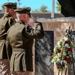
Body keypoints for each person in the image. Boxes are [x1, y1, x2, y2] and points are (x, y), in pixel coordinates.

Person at [6, 7, 44, 73]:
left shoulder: (10, 29)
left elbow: (8, 47)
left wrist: (11, 60)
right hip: (24, 62)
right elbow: (39, 35)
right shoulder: (25, 27)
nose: (29, 18)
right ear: (25, 16)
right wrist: (37, 23)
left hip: (14, 62)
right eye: (29, 16)